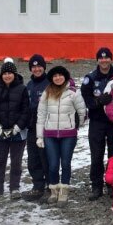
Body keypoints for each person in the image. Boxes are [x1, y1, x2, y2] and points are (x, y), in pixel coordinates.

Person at [36, 65, 86, 205]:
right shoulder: (47, 93)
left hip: (68, 135)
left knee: (65, 163)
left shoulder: (73, 93)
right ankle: (54, 191)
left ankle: (64, 191)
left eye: (60, 75)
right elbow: (41, 115)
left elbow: (82, 112)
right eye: (55, 76)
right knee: (52, 164)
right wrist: (40, 136)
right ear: (52, 78)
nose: (58, 78)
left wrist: (75, 125)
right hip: (50, 134)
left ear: (65, 77)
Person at [0, 58, 30, 200]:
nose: (7, 76)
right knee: (0, 161)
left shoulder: (22, 89)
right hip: (0, 133)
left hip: (18, 132)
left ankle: (14, 188)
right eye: (5, 73)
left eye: (10, 73)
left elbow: (26, 111)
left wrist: (16, 128)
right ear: (1, 75)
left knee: (16, 162)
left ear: (14, 74)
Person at [80, 47, 113, 200]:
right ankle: (96, 186)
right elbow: (85, 97)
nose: (104, 60)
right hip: (97, 121)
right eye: (101, 58)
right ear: (97, 60)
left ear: (111, 59)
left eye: (107, 58)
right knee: (96, 155)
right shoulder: (90, 77)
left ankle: (111, 184)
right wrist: (98, 102)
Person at [24, 54, 50, 201]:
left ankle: (51, 186)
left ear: (44, 67)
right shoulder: (29, 85)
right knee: (33, 159)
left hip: (47, 128)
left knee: (47, 158)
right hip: (32, 128)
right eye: (33, 67)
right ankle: (37, 186)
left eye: (39, 66)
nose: (36, 69)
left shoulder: (49, 83)